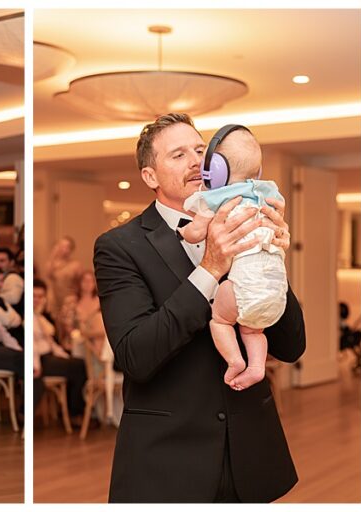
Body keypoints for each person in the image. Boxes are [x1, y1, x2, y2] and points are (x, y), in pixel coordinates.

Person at [94, 113, 305, 502]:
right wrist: (210, 268)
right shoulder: (120, 247)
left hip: (250, 456)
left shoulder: (245, 217)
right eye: (178, 155)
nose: (195, 161)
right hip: (168, 462)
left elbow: (292, 346)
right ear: (150, 177)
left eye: (199, 149)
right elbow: (136, 355)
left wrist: (271, 264)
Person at [178, 125, 287, 391]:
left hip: (243, 289)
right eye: (179, 155)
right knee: (253, 330)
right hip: (275, 291)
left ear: (215, 170)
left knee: (221, 320)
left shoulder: (214, 199)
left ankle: (236, 360)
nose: (195, 162)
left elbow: (194, 233)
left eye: (201, 154)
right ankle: (257, 367)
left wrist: (183, 231)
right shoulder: (269, 194)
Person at [30, 278, 87, 423]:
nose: (37, 299)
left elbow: (50, 342)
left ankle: (72, 411)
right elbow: (32, 346)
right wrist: (35, 365)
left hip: (49, 356)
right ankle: (74, 413)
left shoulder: (40, 316)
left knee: (77, 364)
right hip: (40, 360)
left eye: (40, 296)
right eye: (34, 296)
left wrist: (63, 355)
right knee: (79, 366)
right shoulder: (29, 317)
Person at [45, 236, 84, 316]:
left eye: (67, 246)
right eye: (60, 245)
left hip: (70, 300)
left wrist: (76, 297)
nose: (63, 249)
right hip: (54, 302)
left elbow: (80, 285)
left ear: (71, 249)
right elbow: (48, 275)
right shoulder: (52, 264)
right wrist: (53, 255)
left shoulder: (76, 265)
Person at [0, 247, 24, 313]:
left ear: (11, 262)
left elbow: (14, 298)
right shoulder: (0, 276)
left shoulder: (13, 277)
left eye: (2, 261)